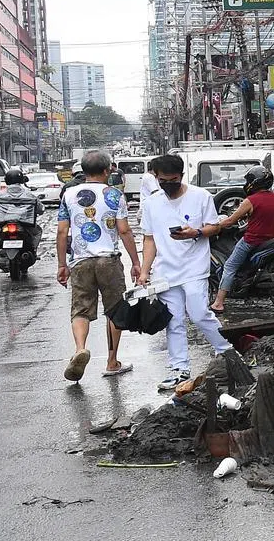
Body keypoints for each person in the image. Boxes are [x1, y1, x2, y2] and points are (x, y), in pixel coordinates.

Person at [138, 154, 235, 391]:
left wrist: (196, 233)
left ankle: (229, 354)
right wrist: (144, 271)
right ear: (156, 178)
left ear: (181, 176)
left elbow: (215, 226)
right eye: (162, 180)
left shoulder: (200, 196)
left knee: (200, 313)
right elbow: (149, 239)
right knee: (173, 321)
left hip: (194, 268)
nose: (167, 184)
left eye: (172, 179)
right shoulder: (152, 202)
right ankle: (179, 370)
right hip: (165, 272)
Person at [56, 150, 140, 382]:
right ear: (107, 171)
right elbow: (124, 230)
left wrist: (62, 264)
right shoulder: (114, 195)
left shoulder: (69, 194)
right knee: (114, 309)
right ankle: (112, 362)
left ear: (83, 171)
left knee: (80, 309)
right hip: (108, 260)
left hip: (80, 261)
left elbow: (63, 231)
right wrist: (136, 262)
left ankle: (80, 349)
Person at [208, 166, 274, 313]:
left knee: (229, 266)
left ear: (254, 182)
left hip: (252, 241)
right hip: (272, 239)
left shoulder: (250, 201)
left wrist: (215, 225)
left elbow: (230, 221)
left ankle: (218, 303)